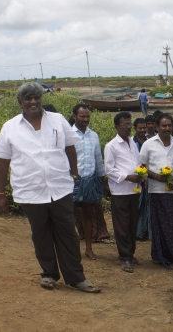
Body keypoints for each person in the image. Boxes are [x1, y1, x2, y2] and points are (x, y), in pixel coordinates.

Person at [0, 82, 100, 293]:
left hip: (60, 188)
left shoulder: (57, 120)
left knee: (68, 233)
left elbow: (70, 147)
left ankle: (76, 277)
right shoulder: (10, 127)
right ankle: (49, 274)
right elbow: (2, 162)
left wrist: (74, 173)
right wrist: (1, 194)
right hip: (30, 190)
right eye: (28, 98)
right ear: (20, 102)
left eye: (36, 97)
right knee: (40, 234)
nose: (33, 101)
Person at [140, 113, 173, 269]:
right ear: (157, 127)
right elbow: (142, 167)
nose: (167, 128)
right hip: (156, 191)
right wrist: (156, 177)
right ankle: (159, 256)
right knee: (158, 225)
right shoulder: (149, 144)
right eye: (164, 126)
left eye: (169, 126)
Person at [105, 111, 146, 273]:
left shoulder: (132, 144)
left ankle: (131, 253)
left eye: (129, 124)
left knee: (132, 223)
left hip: (134, 190)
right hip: (120, 191)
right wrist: (128, 177)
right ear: (117, 126)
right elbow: (109, 169)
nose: (128, 128)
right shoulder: (111, 146)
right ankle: (125, 257)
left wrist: (140, 173)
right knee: (122, 225)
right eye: (125, 124)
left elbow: (138, 162)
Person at [71, 104, 107, 260]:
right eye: (82, 116)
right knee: (68, 216)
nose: (85, 119)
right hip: (71, 181)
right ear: (74, 117)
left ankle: (88, 248)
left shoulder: (94, 135)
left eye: (87, 116)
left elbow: (98, 160)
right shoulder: (68, 135)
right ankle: (71, 249)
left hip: (89, 181)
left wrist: (102, 182)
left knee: (88, 215)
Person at [131, 117, 151, 240]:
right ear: (135, 128)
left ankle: (145, 231)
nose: (143, 130)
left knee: (147, 206)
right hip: (136, 178)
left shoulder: (150, 141)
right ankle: (136, 231)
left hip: (150, 178)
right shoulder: (132, 142)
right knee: (137, 205)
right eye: (140, 128)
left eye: (144, 127)